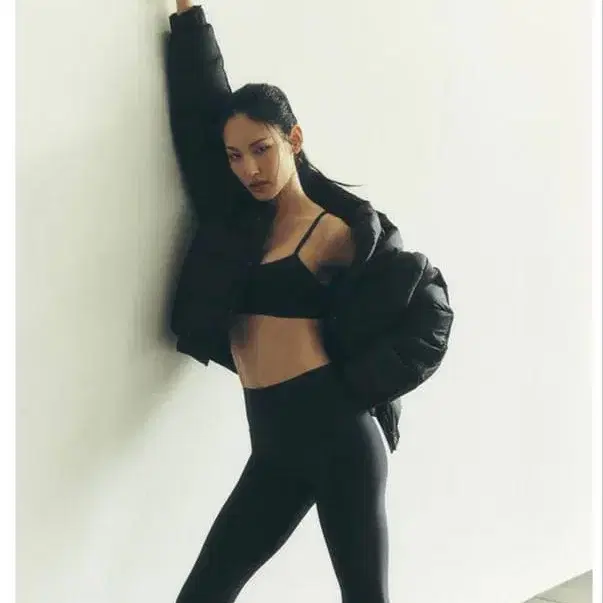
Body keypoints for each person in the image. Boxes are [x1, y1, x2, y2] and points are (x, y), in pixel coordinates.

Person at [165, 3, 454, 602]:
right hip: (272, 444)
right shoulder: (238, 221)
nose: (249, 168)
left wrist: (362, 384)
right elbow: (201, 109)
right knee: (204, 593)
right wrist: (188, 16)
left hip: (338, 437)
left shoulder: (337, 232)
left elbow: (431, 307)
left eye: (262, 149)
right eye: (235, 156)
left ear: (293, 140)